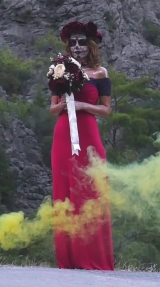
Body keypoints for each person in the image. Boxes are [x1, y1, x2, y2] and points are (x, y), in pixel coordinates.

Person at [48, 20, 115, 270]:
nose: (77, 47)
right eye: (73, 43)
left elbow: (106, 110)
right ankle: (69, 258)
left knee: (91, 189)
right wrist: (66, 103)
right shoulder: (60, 70)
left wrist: (82, 105)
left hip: (88, 134)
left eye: (82, 42)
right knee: (65, 191)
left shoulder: (101, 74)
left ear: (90, 45)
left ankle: (94, 257)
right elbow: (53, 108)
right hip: (64, 134)